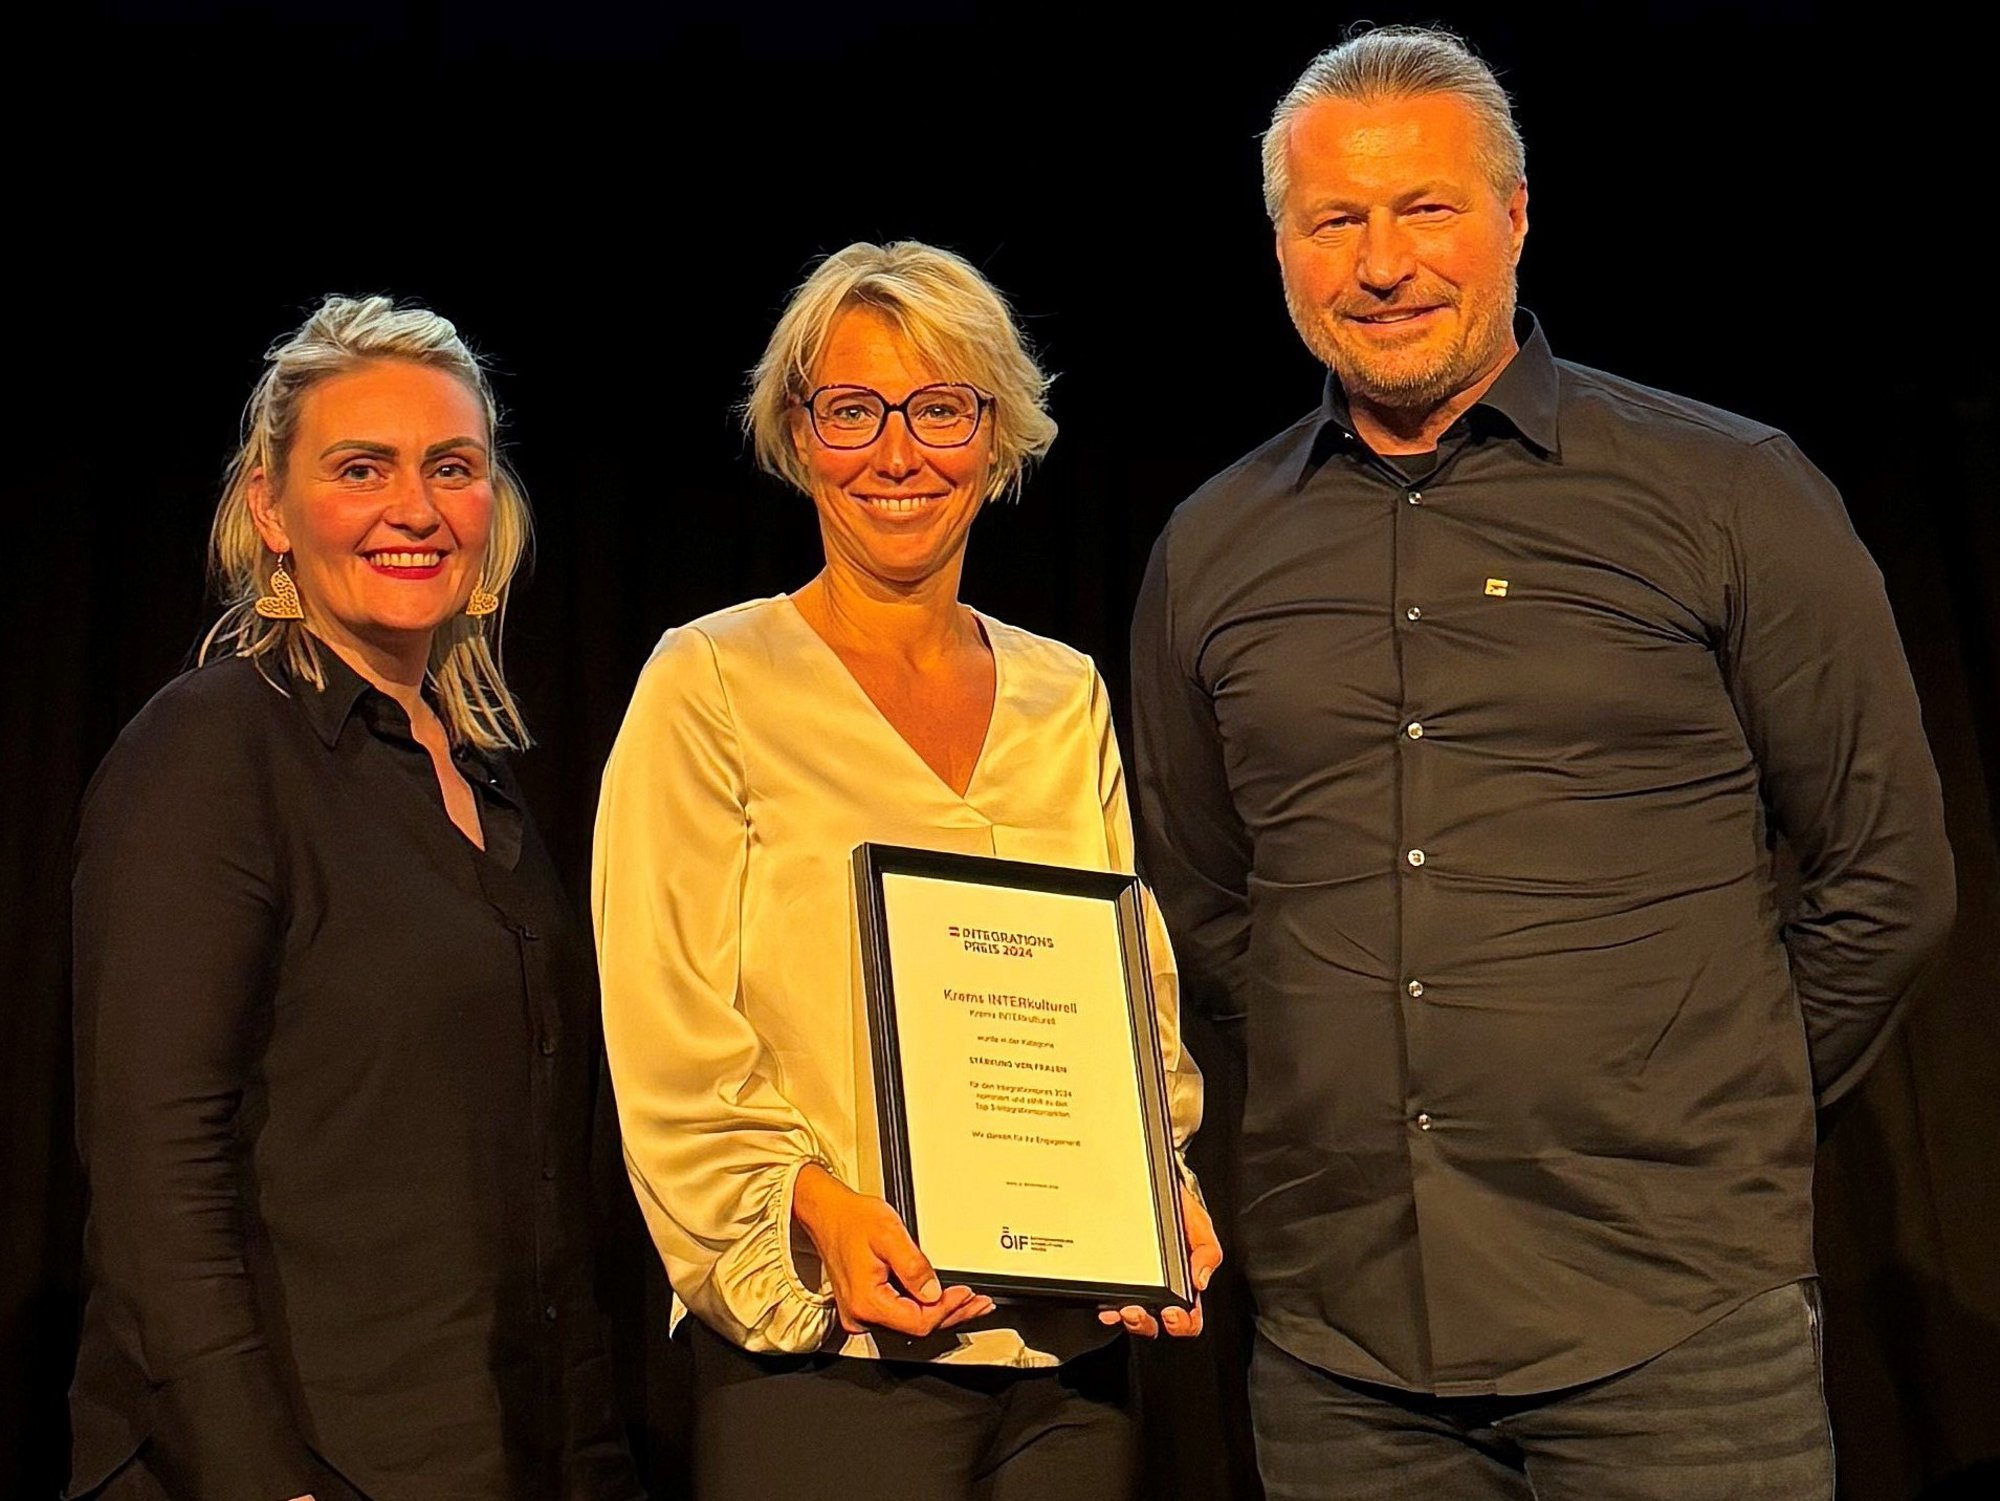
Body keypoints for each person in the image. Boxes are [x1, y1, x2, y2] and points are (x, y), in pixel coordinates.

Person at [1130, 25, 1954, 1501]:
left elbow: (1888, 877)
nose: (1382, 263)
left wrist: (1708, 1103)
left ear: (1516, 214)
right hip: (1343, 1355)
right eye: (1337, 221)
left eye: (1425, 208)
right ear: (1282, 245)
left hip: (1676, 1332)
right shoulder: (1211, 546)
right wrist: (1359, 1075)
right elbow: (1201, 894)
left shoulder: (1727, 490)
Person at [593, 240, 1219, 1501]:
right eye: (852, 409)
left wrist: (1158, 1191)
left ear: (996, 439)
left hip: (1067, 1358)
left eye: (941, 408)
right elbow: (670, 1042)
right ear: (796, 435)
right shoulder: (711, 681)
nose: (897, 452)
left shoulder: (1062, 693)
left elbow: (1126, 1000)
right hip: (833, 1355)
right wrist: (817, 1211)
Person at [67, 296, 643, 1501]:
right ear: (269, 508)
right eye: (361, 468)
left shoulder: (489, 797)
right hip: (292, 1464)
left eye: (453, 468)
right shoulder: (214, 749)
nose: (415, 510)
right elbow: (154, 1172)